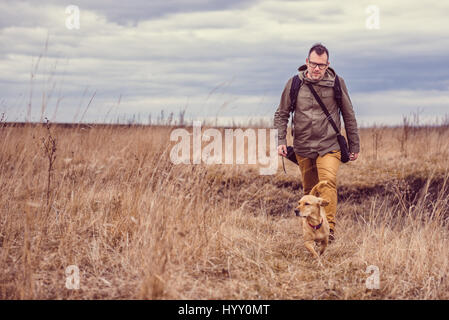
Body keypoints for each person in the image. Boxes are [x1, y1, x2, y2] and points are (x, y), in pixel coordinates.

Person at [273, 43, 360, 242]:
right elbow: (281, 114)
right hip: (303, 147)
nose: (317, 69)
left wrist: (354, 145)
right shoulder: (294, 84)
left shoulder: (337, 83)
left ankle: (328, 233)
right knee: (309, 192)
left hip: (329, 145)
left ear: (328, 65)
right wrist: (280, 140)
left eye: (321, 65)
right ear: (307, 62)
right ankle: (312, 233)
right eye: (313, 64)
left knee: (327, 183)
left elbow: (349, 115)